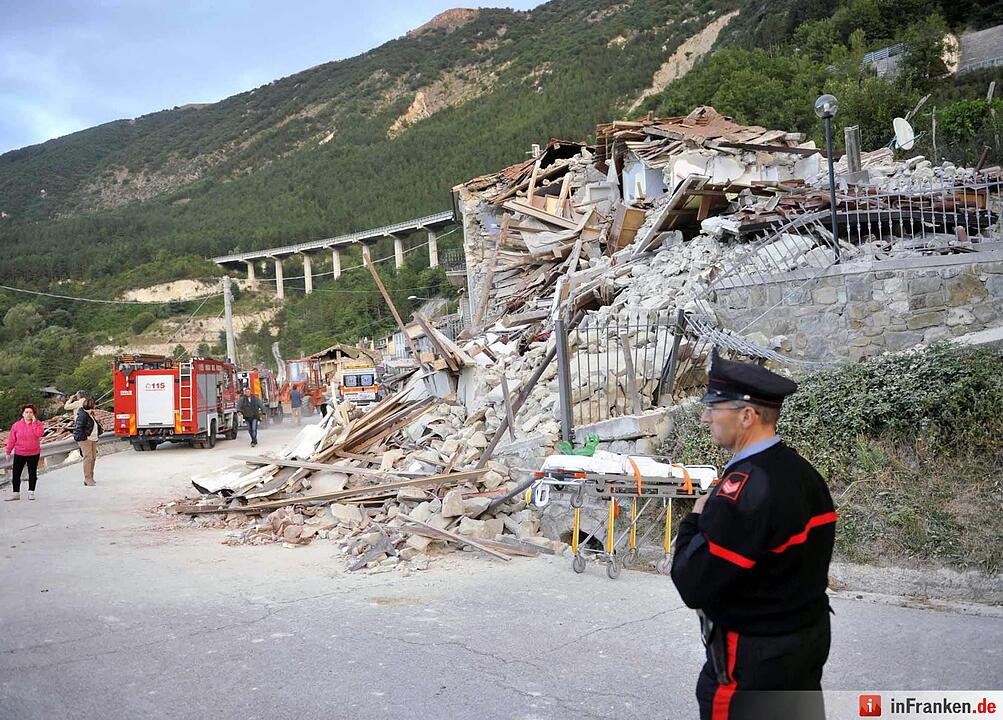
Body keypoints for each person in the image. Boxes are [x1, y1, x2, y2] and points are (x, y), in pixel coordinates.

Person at [671, 350, 836, 720]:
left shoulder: (744, 489)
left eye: (715, 406)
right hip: (803, 642)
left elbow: (692, 583)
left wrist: (693, 520)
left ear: (747, 416)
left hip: (755, 659)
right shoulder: (802, 472)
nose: (705, 416)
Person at [4, 404, 45, 501]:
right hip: (20, 452)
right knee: (16, 473)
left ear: (33, 414)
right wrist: (8, 451)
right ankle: (16, 493)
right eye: (26, 412)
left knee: (32, 473)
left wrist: (34, 423)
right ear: (23, 414)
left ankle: (31, 492)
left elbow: (39, 434)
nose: (28, 414)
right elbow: (11, 439)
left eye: (31, 412)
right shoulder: (16, 425)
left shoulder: (38, 423)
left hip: (33, 453)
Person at [71, 397, 101, 486]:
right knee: (88, 459)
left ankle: (91, 477)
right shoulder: (83, 415)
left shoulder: (90, 414)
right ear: (91, 405)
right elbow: (78, 428)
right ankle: (87, 479)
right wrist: (85, 438)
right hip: (86, 439)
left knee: (93, 458)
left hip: (93, 439)